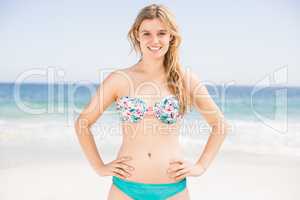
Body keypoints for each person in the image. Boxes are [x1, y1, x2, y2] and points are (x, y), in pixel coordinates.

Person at [74, 4, 229, 200]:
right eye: (146, 33)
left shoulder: (185, 79)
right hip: (125, 188)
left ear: (171, 36)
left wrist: (200, 166)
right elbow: (83, 122)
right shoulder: (119, 79)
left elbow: (220, 125)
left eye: (161, 33)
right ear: (136, 35)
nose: (154, 40)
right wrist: (99, 167)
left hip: (173, 189)